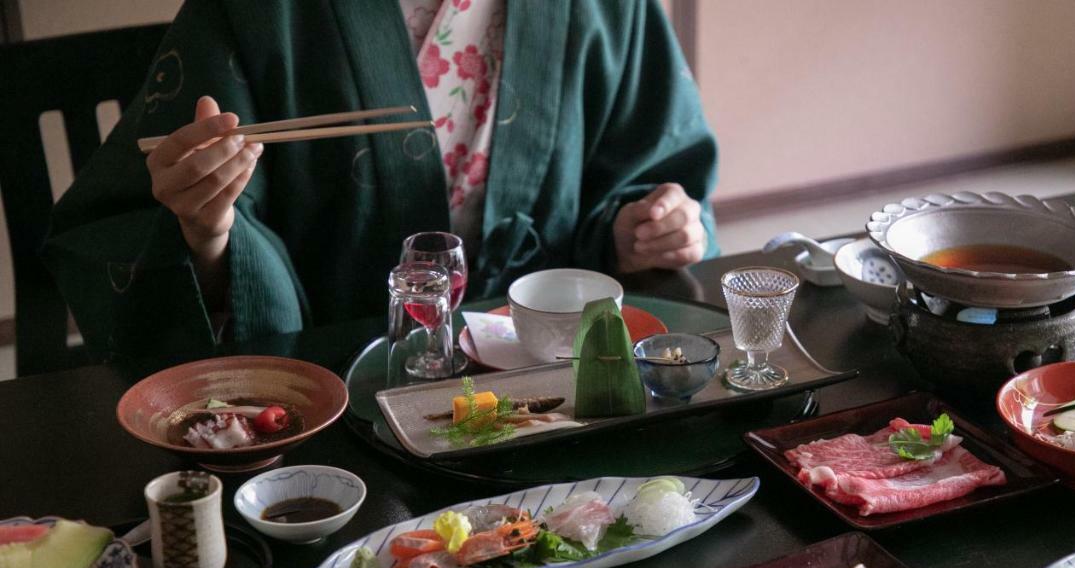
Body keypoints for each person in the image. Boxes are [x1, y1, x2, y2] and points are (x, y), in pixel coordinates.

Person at [42, 0, 717, 357]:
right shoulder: (260, 9)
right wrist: (209, 229)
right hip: (339, 396)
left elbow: (651, 164)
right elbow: (132, 222)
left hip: (549, 377)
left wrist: (638, 229)